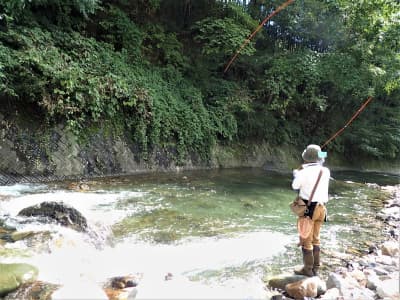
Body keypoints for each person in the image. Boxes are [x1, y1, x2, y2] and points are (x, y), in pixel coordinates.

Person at [291, 144, 330, 276]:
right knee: (316, 239)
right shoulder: (326, 171)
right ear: (319, 158)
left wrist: (296, 174)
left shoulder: (303, 172)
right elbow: (321, 161)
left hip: (309, 211)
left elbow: (294, 186)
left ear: (306, 158)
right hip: (322, 209)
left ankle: (307, 270)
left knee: (306, 240)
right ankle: (316, 268)